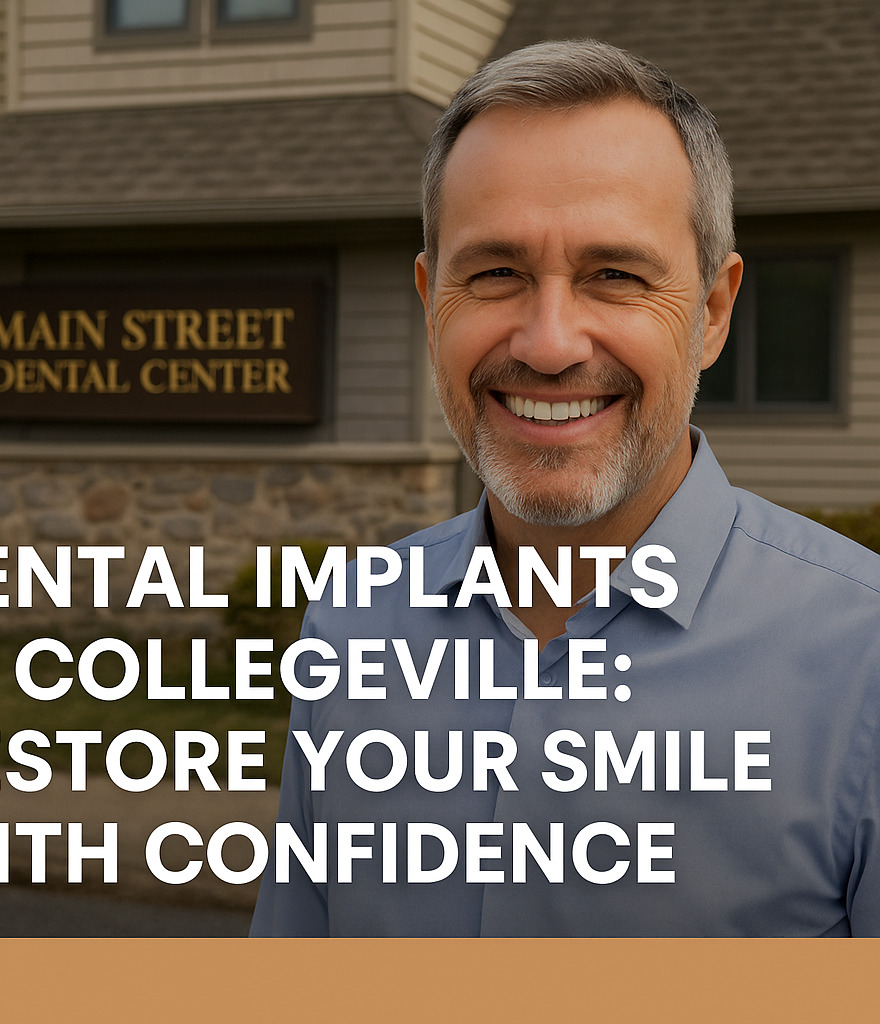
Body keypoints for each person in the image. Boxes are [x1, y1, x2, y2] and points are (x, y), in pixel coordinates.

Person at [249, 39, 880, 936]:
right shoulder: (353, 623)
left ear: (711, 310)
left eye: (615, 275)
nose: (549, 345)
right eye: (497, 272)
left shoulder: (863, 663)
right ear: (433, 305)